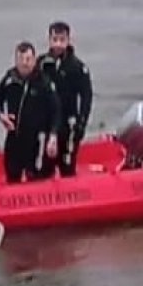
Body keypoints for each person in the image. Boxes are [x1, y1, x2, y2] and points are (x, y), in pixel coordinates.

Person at [0, 42, 61, 183]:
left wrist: (53, 136)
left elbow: (56, 110)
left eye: (28, 59)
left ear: (34, 60)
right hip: (14, 136)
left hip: (36, 139)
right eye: (21, 60)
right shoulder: (10, 78)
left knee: (36, 176)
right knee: (12, 174)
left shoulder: (43, 82)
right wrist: (1, 116)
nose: (24, 64)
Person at [37, 21, 93, 178]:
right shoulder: (41, 65)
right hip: (47, 125)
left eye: (62, 40)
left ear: (68, 40)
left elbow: (86, 97)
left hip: (69, 125)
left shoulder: (78, 68)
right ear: (49, 40)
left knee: (67, 166)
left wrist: (81, 124)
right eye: (55, 40)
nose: (58, 44)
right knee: (44, 168)